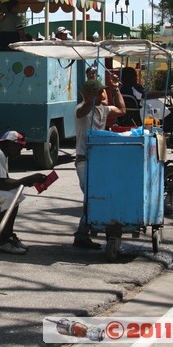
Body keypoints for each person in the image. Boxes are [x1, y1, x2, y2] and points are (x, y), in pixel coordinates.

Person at [73, 77, 126, 249]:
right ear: (90, 94)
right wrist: (91, 99)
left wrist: (116, 89)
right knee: (91, 194)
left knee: (101, 195)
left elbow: (121, 109)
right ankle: (83, 233)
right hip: (84, 159)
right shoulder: (81, 108)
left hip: (100, 160)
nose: (104, 94)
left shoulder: (103, 108)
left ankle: (85, 233)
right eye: (100, 91)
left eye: (103, 91)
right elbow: (81, 112)